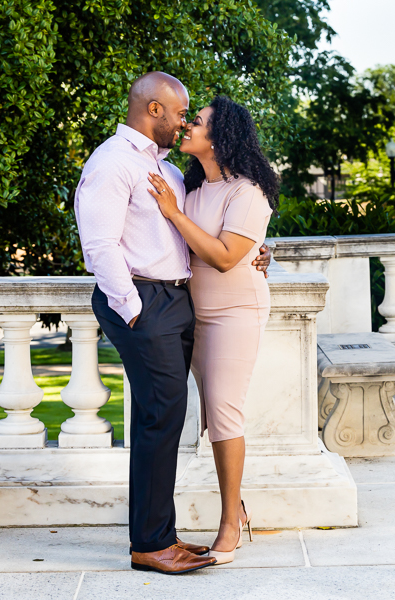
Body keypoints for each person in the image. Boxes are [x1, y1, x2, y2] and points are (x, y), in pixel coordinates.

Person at [74, 73, 271, 576]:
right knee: (162, 416)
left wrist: (257, 251)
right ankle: (151, 545)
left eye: (193, 117)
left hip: (180, 302)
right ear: (155, 110)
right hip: (146, 302)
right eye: (181, 113)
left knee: (160, 420)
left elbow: (206, 239)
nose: (185, 122)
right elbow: (99, 246)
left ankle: (158, 535)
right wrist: (133, 306)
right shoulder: (113, 162)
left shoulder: (173, 174)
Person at [145, 95, 278, 565]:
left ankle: (229, 521)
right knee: (205, 415)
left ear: (221, 137)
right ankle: (233, 507)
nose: (186, 126)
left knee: (224, 413)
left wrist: (173, 214)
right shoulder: (189, 185)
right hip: (190, 313)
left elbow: (223, 258)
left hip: (235, 311)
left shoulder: (249, 191)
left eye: (196, 122)